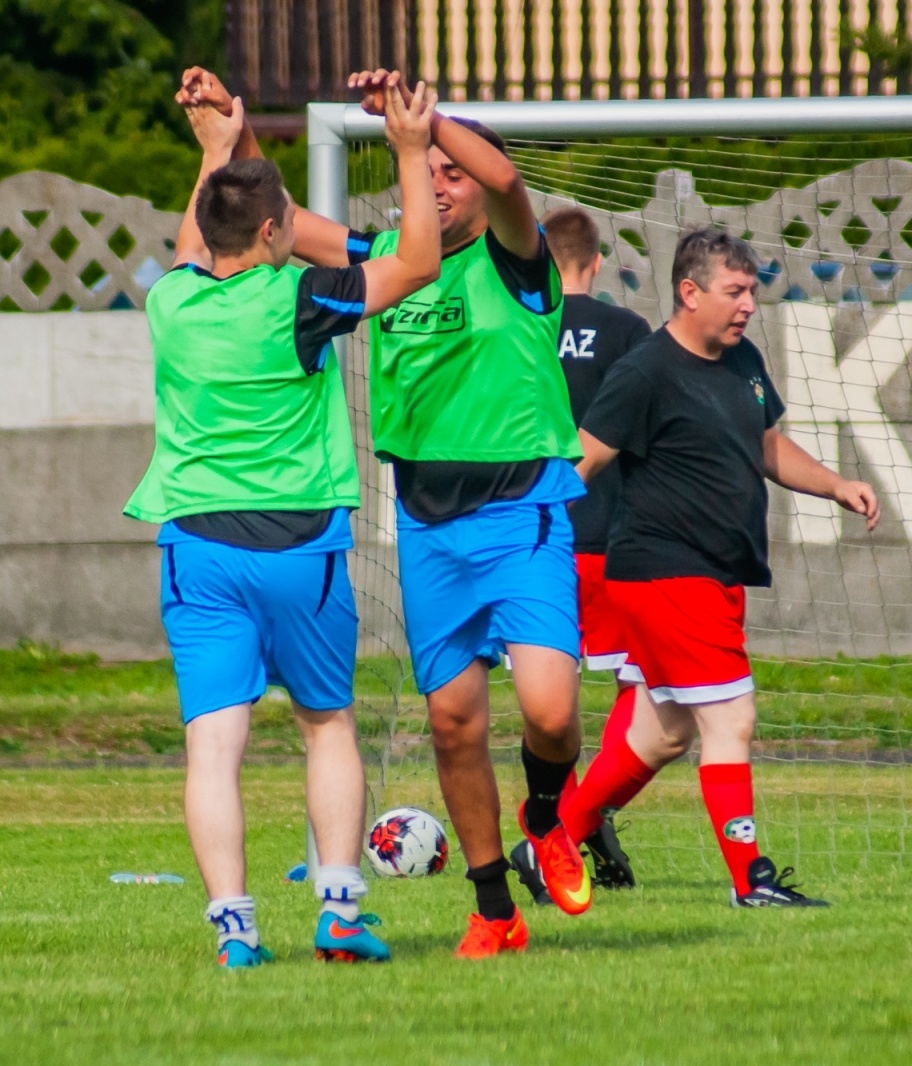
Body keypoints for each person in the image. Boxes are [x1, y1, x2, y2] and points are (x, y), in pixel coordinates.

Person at [178, 66, 594, 957]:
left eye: (454, 173)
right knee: (453, 721)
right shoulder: (380, 260)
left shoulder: (517, 262)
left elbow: (513, 183)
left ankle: (548, 814)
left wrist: (424, 125)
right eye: (430, 173)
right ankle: (492, 908)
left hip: (523, 512)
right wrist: (232, 133)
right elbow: (273, 220)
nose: (440, 185)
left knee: (552, 714)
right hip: (429, 526)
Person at [129, 78, 440, 966]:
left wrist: (214, 150)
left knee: (213, 748)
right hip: (302, 548)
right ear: (275, 236)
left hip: (197, 547)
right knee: (325, 724)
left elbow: (196, 240)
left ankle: (235, 928)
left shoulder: (170, 303)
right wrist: (411, 152)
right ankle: (339, 912)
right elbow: (416, 262)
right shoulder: (300, 302)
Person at [562, 227, 880, 906]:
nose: (747, 306)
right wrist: (526, 532)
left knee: (664, 729)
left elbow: (767, 446)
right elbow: (583, 459)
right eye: (735, 292)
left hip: (714, 574)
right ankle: (750, 880)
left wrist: (835, 485)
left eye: (752, 292)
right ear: (689, 292)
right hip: (666, 572)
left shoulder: (742, 361)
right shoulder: (644, 371)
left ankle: (559, 836)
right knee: (730, 717)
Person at [507, 206, 653, 901]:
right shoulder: (627, 331)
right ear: (595, 262)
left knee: (547, 706)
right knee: (643, 685)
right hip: (613, 539)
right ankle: (581, 815)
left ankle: (559, 823)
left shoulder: (517, 323)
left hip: (534, 542)